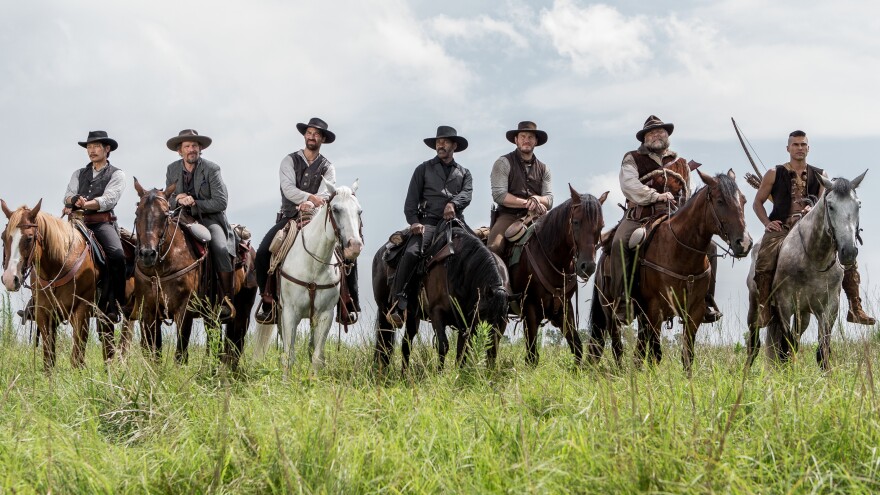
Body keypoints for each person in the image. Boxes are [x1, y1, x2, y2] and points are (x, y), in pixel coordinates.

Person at [607, 115, 722, 324]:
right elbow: (629, 186)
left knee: (711, 247)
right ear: (644, 139)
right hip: (640, 216)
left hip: (674, 215)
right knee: (619, 243)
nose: (656, 135)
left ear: (667, 135)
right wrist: (655, 196)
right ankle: (624, 301)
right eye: (651, 133)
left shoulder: (681, 164)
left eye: (661, 131)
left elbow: (690, 194)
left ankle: (706, 301)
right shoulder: (632, 158)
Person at [753, 130, 874, 327]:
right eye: (795, 144)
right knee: (765, 257)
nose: (799, 148)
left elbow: (823, 202)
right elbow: (757, 202)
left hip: (812, 228)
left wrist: (813, 207)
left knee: (848, 255)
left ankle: (855, 307)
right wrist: (767, 223)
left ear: (808, 148)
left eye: (803, 145)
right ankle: (764, 308)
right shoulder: (774, 173)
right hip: (783, 227)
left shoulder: (821, 175)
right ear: (788, 148)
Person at [253, 117, 359, 324]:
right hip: (290, 216)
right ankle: (268, 301)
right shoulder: (289, 161)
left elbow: (326, 192)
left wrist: (313, 203)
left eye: (317, 134)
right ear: (305, 135)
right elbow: (288, 188)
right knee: (263, 253)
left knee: (346, 254)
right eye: (309, 133)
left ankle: (348, 302)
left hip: (319, 218)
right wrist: (308, 199)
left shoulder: (328, 167)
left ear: (322, 139)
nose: (312, 136)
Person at [387, 125, 473, 328]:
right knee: (412, 252)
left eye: (444, 142)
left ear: (454, 145)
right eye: (438, 142)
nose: (440, 145)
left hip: (455, 223)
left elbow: (467, 194)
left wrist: (453, 204)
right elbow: (410, 203)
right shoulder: (423, 169)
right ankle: (398, 303)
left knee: (480, 252)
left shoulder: (465, 173)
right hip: (429, 223)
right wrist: (415, 222)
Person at [165, 129, 237, 319]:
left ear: (200, 149)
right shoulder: (172, 169)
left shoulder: (212, 169)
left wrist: (194, 201)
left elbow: (221, 202)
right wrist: (178, 199)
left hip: (210, 219)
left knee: (221, 248)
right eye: (187, 146)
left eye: (195, 146)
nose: (191, 149)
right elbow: (167, 199)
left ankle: (225, 299)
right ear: (179, 151)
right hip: (181, 219)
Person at [61, 130, 127, 321]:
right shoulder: (78, 173)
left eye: (96, 146)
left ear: (107, 149)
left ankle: (116, 303)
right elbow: (68, 194)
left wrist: (85, 203)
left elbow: (109, 199)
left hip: (101, 223)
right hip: (76, 223)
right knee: (47, 245)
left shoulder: (117, 174)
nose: (92, 150)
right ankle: (36, 301)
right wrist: (72, 199)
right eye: (89, 147)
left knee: (117, 254)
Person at [487, 121, 553, 256]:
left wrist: (537, 198)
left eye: (530, 137)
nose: (526, 140)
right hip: (508, 215)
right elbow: (499, 195)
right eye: (522, 137)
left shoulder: (544, 169)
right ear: (516, 140)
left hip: (537, 216)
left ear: (536, 141)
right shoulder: (503, 163)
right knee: (493, 247)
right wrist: (528, 203)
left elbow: (549, 199)